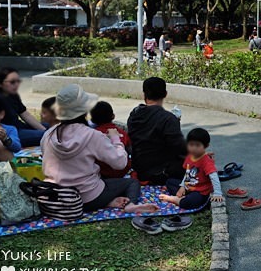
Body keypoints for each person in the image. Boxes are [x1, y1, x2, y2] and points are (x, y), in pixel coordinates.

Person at [41, 84, 158, 213]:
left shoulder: (49, 134)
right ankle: (130, 205)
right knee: (131, 183)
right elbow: (120, 163)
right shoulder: (92, 135)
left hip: (55, 196)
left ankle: (109, 201)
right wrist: (115, 140)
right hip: (88, 198)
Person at [127, 77, 187, 185]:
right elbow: (179, 147)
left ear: (144, 94)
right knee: (199, 164)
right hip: (159, 173)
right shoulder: (168, 119)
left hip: (139, 169)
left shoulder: (134, 114)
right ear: (165, 94)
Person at [159, 128, 223, 210]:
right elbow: (187, 174)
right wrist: (182, 186)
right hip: (189, 187)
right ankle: (182, 197)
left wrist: (217, 193)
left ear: (206, 146)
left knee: (191, 201)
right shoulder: (189, 157)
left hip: (201, 191)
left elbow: (214, 176)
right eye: (191, 145)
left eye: (197, 145)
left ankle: (175, 199)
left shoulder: (206, 161)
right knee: (170, 182)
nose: (193, 148)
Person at [0, 68, 46, 147]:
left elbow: (25, 115)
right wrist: (47, 133)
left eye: (18, 81)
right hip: (9, 133)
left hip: (19, 127)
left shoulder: (12, 94)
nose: (16, 85)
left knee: (51, 127)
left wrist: (44, 129)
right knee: (47, 135)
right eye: (12, 82)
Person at [90, 101, 132, 179]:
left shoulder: (92, 135)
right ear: (113, 116)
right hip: (122, 172)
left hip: (102, 174)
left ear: (92, 120)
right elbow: (130, 152)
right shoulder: (123, 133)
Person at [0, 96, 21, 164]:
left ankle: (11, 172)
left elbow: (17, 148)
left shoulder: (9, 129)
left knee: (0, 144)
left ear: (1, 114)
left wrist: (5, 139)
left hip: (2, 162)